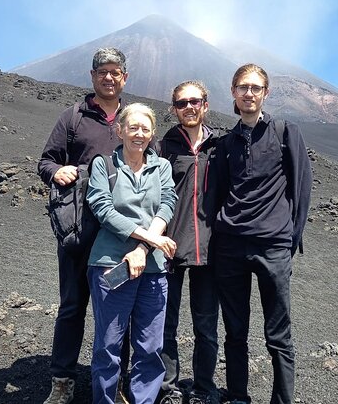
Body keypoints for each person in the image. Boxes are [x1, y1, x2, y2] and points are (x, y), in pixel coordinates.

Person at [38, 47, 135, 404]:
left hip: (119, 234)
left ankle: (116, 382)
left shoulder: (133, 119)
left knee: (117, 307)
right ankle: (62, 380)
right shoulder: (74, 117)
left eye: (115, 71)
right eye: (101, 72)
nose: (108, 77)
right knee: (72, 304)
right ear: (92, 76)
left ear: (124, 77)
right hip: (79, 229)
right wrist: (56, 170)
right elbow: (46, 160)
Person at [211, 64, 312, 404]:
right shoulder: (226, 143)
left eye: (255, 88)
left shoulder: (285, 132)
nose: (249, 93)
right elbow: (219, 192)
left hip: (273, 247)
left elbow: (302, 187)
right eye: (243, 87)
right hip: (230, 247)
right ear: (233, 93)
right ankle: (238, 396)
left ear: (266, 93)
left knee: (278, 335)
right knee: (235, 332)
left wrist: (289, 238)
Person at [86, 103, 178, 404]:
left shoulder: (162, 167)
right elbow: (102, 208)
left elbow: (167, 204)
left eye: (145, 128)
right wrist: (150, 237)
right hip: (111, 266)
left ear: (152, 133)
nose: (139, 134)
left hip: (153, 269)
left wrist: (142, 248)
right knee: (108, 346)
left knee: (150, 348)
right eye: (133, 127)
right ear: (120, 130)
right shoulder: (104, 165)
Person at [158, 81, 221, 404]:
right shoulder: (164, 146)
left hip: (210, 251)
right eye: (181, 103)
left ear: (205, 105)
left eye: (194, 101)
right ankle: (167, 388)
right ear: (174, 109)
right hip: (169, 247)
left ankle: (203, 388)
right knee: (164, 325)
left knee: (206, 327)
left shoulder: (219, 147)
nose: (189, 108)